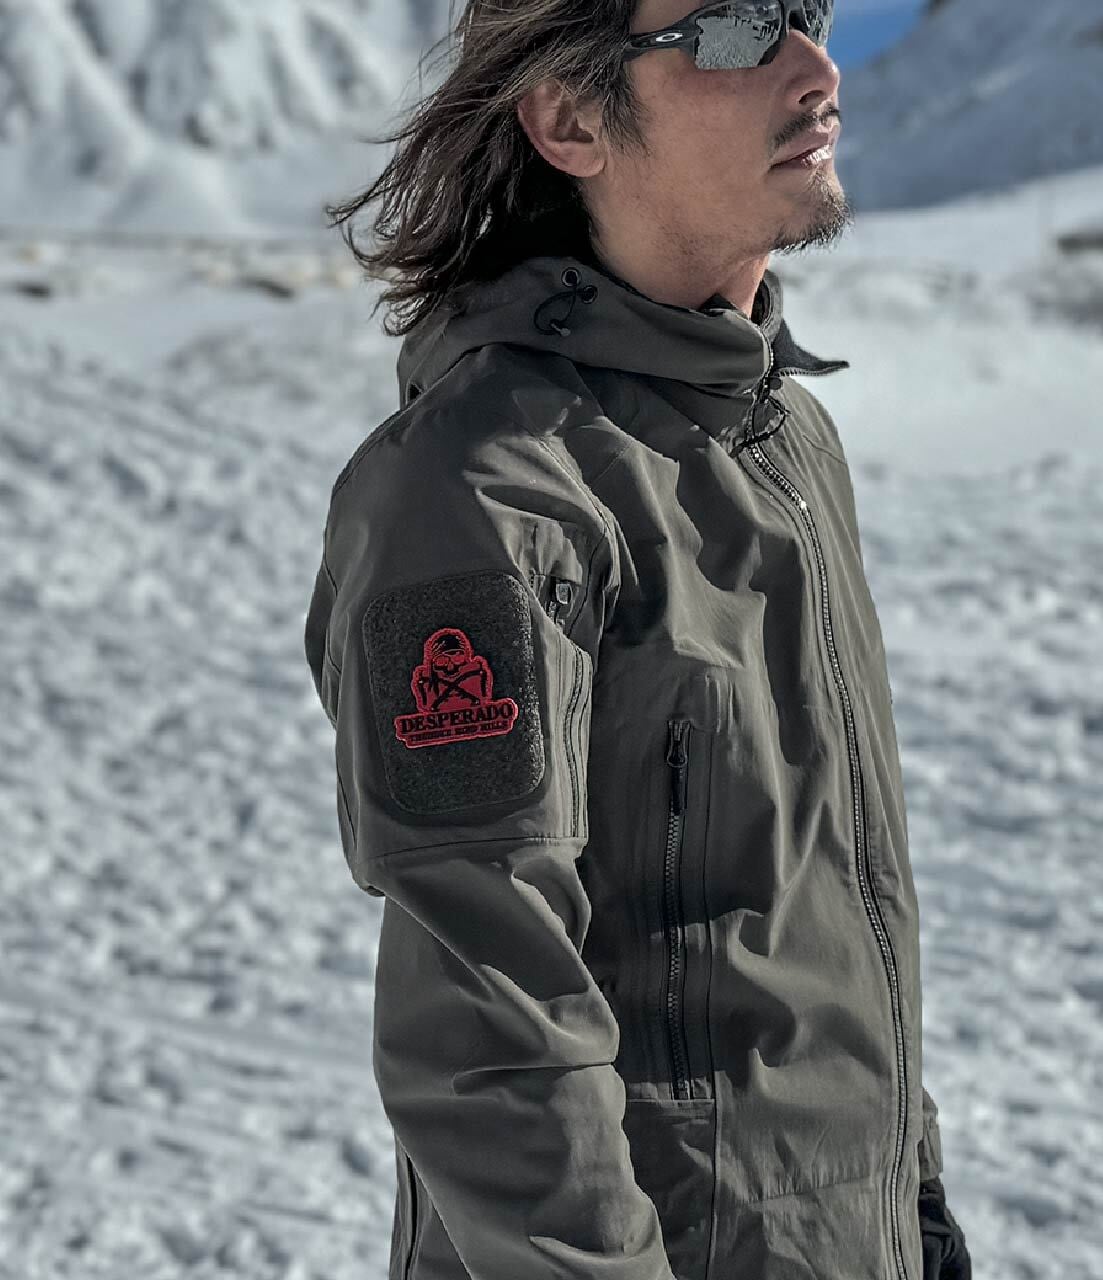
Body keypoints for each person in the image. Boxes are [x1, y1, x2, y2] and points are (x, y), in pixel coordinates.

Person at [303, 1, 970, 1277]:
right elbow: (487, 1028)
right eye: (732, 30)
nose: (816, 69)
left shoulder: (780, 436)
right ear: (569, 120)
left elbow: (826, 900)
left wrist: (915, 1200)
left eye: (807, 12)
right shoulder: (483, 485)